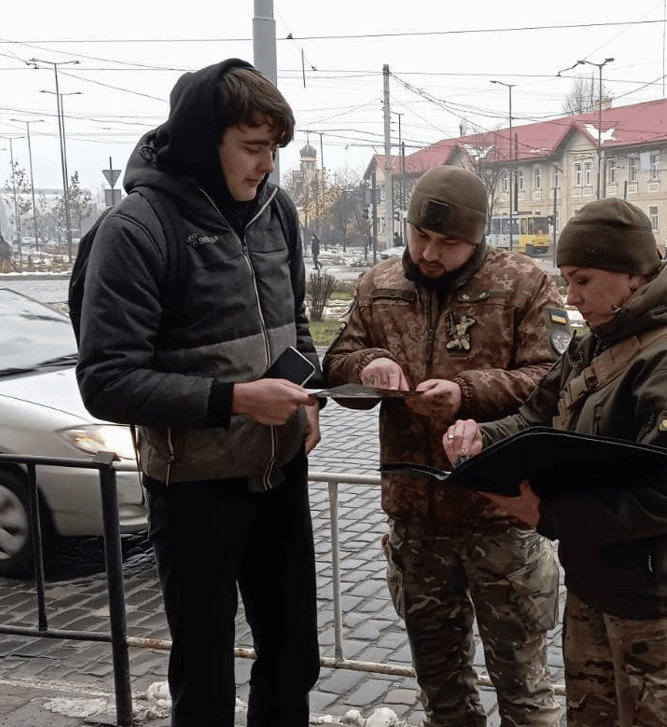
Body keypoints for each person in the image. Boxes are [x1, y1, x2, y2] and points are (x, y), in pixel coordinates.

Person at [74, 58, 321, 727]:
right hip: (194, 488)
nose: (266, 165)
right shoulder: (138, 230)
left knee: (295, 656)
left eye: (273, 149)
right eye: (252, 147)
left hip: (281, 470)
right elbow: (105, 379)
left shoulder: (277, 213)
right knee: (205, 673)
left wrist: (311, 395)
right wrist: (237, 401)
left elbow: (292, 323)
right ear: (201, 138)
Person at [442, 197, 667, 727]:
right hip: (596, 577)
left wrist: (548, 517)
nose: (570, 298)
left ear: (630, 274)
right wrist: (481, 439)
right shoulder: (597, 342)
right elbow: (535, 419)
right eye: (566, 280)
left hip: (656, 595)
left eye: (582, 280)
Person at [323, 165, 566, 727]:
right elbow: (336, 366)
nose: (429, 253)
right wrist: (368, 365)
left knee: (524, 691)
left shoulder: (523, 284)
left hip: (501, 518)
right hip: (416, 520)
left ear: (479, 238)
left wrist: (467, 393)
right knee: (441, 690)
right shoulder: (378, 284)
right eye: (419, 236)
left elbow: (553, 380)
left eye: (448, 243)